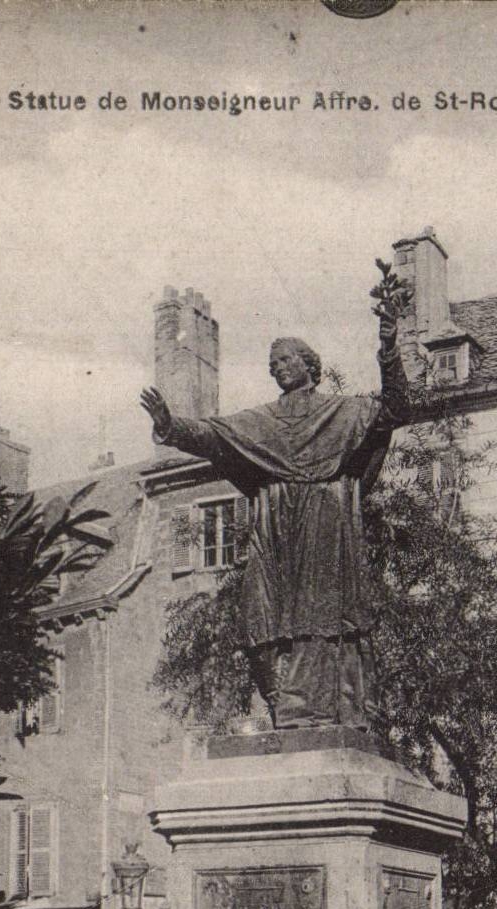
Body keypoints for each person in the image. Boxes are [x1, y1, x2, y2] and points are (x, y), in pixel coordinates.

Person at [140, 282, 411, 729]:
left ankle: (322, 712)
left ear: (310, 366)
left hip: (325, 524)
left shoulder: (342, 411)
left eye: (287, 359)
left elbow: (396, 410)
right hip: (275, 526)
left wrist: (387, 343)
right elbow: (213, 433)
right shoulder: (261, 421)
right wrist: (171, 427)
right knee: (259, 616)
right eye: (272, 364)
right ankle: (283, 707)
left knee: (323, 616)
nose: (278, 368)